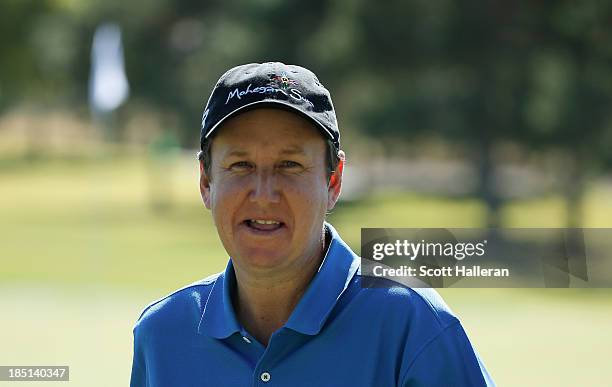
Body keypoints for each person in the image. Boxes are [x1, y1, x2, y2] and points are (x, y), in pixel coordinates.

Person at [130, 62, 495, 386]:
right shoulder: (162, 334)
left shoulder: (412, 324)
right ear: (206, 182)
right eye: (241, 165)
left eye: (290, 165)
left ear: (333, 181)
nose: (263, 194)